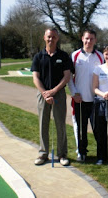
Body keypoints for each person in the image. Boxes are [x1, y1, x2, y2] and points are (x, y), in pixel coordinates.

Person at [31, 28, 71, 166]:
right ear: (44, 37)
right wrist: (45, 93)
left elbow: (67, 76)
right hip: (42, 94)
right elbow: (35, 78)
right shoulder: (38, 56)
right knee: (43, 124)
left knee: (60, 124)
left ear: (57, 38)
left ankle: (62, 154)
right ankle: (43, 154)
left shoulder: (63, 56)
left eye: (53, 37)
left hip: (58, 93)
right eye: (49, 36)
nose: (51, 39)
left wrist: (53, 91)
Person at [68, 29, 104, 162]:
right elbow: (69, 78)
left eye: (92, 39)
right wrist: (74, 93)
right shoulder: (75, 56)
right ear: (82, 38)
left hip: (95, 100)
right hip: (79, 99)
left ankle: (101, 154)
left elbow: (105, 75)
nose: (89, 41)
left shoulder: (100, 56)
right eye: (87, 38)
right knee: (80, 128)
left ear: (95, 40)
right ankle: (81, 152)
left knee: (98, 129)